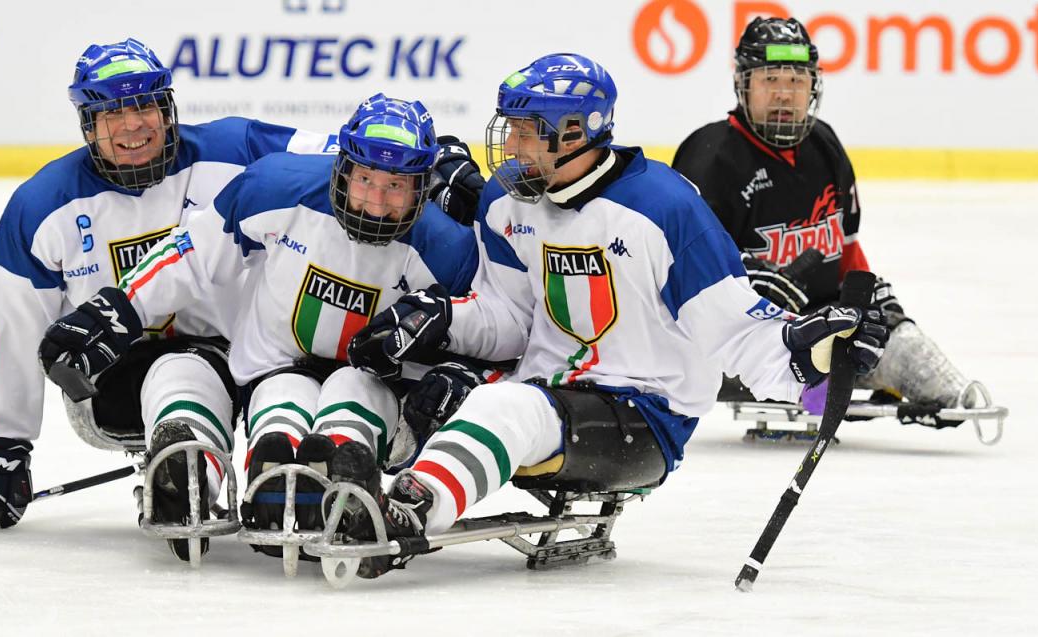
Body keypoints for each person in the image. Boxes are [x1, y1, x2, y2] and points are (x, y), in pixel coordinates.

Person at [341, 53, 888, 578]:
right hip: (546, 388)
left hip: (645, 414)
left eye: (526, 131)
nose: (509, 145)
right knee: (404, 379)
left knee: (506, 404)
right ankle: (335, 480)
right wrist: (443, 320)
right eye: (509, 128)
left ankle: (407, 513)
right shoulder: (507, 204)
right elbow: (509, 317)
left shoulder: (665, 209)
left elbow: (735, 329)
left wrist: (811, 364)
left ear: (574, 133)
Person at [35, 94, 478, 550]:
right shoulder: (275, 188)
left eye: (397, 186)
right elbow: (193, 253)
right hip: (274, 369)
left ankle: (340, 471)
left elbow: (490, 324)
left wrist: (467, 372)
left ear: (423, 187)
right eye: (365, 178)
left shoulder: (447, 246)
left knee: (353, 387)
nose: (376, 205)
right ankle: (228, 473)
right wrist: (118, 308)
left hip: (374, 381)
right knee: (276, 392)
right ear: (341, 168)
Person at [0, 38, 335, 562]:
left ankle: (232, 466)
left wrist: (431, 172)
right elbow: (8, 326)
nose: (133, 125)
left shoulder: (236, 149)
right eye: (112, 113)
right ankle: (186, 472)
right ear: (88, 125)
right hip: (119, 376)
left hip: (251, 358)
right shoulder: (43, 205)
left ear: (168, 107)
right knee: (182, 370)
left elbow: (350, 161)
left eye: (145, 106)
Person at [672, 17, 981, 423]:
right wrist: (753, 293)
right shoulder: (708, 158)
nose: (785, 95)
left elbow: (848, 249)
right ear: (743, 84)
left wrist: (871, 300)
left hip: (825, 325)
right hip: (749, 341)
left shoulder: (825, 144)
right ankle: (823, 383)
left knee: (907, 349)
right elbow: (681, 278)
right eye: (770, 80)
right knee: (815, 364)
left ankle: (949, 398)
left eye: (796, 82)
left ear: (813, 86)